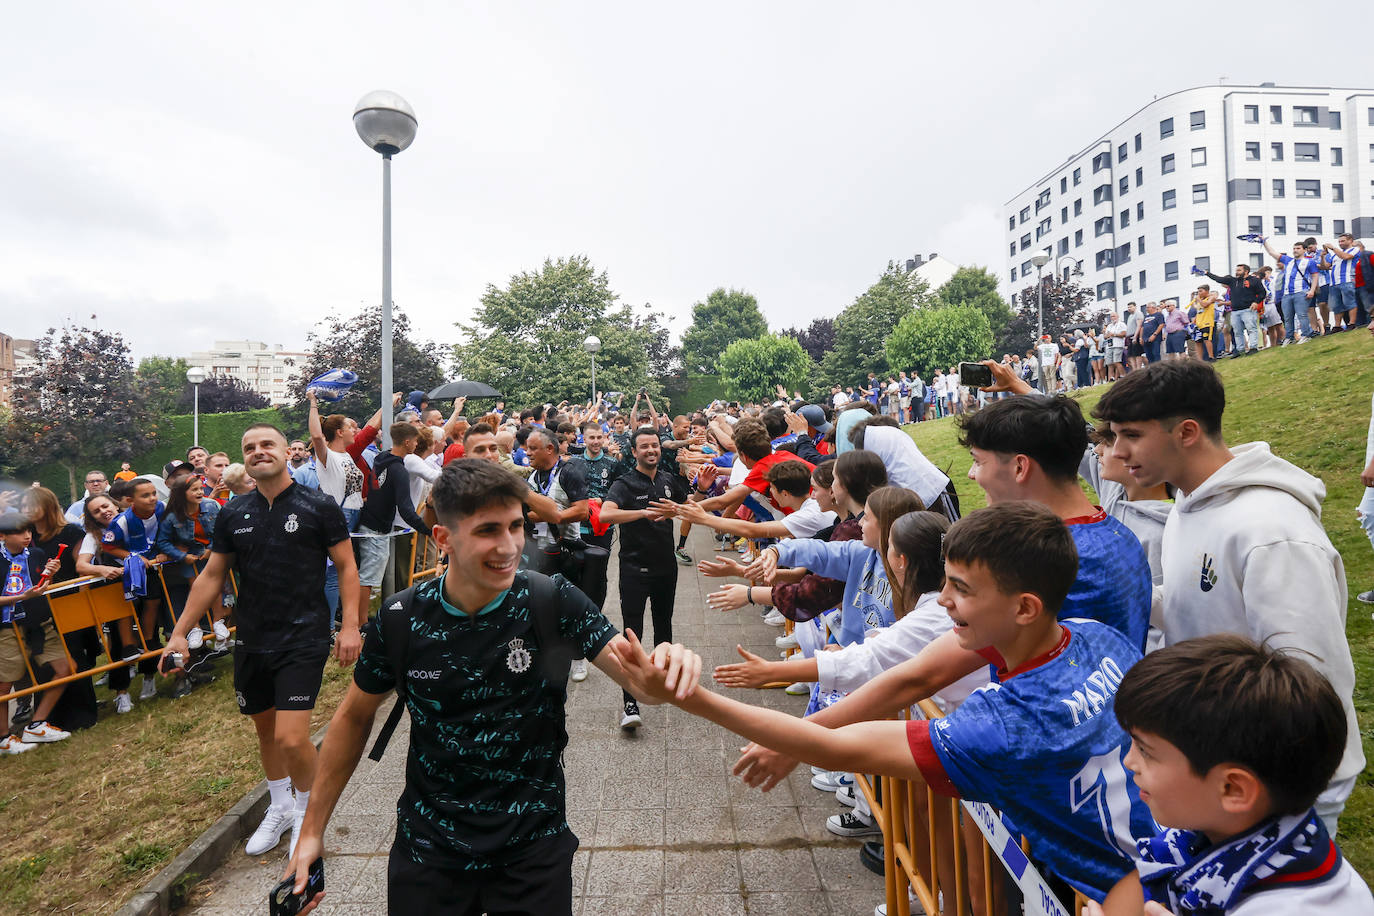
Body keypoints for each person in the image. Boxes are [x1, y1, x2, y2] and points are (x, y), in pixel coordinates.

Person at [621, 502, 1157, 904]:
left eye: (962, 590)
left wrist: (693, 699)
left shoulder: (1003, 726)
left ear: (1024, 607)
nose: (943, 602)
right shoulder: (1093, 634)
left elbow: (836, 747)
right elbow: (908, 679)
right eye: (945, 583)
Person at [283, 459, 700, 916]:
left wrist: (667, 669)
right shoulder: (402, 619)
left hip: (532, 851)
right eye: (487, 531)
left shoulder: (552, 599)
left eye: (516, 526)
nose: (509, 546)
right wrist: (311, 832)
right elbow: (353, 718)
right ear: (443, 539)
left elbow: (639, 680)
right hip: (429, 849)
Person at [1093, 359, 1365, 832]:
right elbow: (1194, 604)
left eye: (1131, 435)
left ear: (1188, 432)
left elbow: (1310, 678)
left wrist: (1289, 798)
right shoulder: (1188, 504)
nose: (1117, 451)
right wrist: (1125, 592)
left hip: (1279, 788)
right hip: (1216, 772)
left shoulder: (1272, 530)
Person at [161, 422, 362, 859]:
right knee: (266, 731)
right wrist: (179, 632)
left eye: (266, 444)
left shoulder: (318, 505)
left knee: (292, 738)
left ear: (286, 452)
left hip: (303, 634)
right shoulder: (233, 511)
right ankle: (281, 807)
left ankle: (310, 818)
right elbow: (213, 574)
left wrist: (350, 625)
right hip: (251, 638)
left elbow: (347, 567)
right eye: (249, 447)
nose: (258, 451)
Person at [1098, 636, 1374, 914]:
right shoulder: (1216, 828)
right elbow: (1142, 881)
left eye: (1146, 751)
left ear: (1233, 789)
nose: (1129, 761)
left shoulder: (1294, 908)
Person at [598, 427, 690, 729]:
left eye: (655, 446)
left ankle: (664, 684)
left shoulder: (666, 479)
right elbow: (605, 516)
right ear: (634, 452)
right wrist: (641, 513)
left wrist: (700, 489)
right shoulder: (624, 484)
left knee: (664, 629)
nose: (651, 451)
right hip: (634, 571)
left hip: (666, 569)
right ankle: (630, 702)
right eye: (645, 447)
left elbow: (689, 506)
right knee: (632, 635)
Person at [0, 510, 72, 752]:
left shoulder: (36, 553)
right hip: (7, 627)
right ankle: (3, 739)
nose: (27, 536)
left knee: (66, 668)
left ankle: (36, 725)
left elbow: (41, 585)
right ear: (2, 536)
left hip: (39, 623)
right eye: (20, 532)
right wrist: (21, 597)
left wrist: (50, 574)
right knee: (4, 685)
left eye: (29, 530)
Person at [356, 423, 430, 625]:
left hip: (371, 523)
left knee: (369, 577)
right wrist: (427, 529)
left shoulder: (381, 458)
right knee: (368, 579)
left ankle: (362, 621)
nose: (416, 444)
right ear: (407, 442)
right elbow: (406, 509)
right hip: (376, 529)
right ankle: (361, 624)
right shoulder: (399, 470)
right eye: (415, 440)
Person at [155, 474, 229, 663]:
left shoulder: (211, 505)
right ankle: (195, 627)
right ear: (181, 493)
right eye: (194, 489)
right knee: (195, 589)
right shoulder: (172, 516)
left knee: (217, 587)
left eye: (200, 488)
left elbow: (222, 529)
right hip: (191, 557)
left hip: (211, 554)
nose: (199, 492)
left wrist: (212, 548)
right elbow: (163, 541)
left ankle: (218, 622)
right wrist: (181, 556)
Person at [1263, 236, 1318, 344]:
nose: (1295, 250)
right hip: (1287, 293)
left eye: (1298, 248)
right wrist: (1264, 242)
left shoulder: (1309, 262)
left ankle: (1306, 335)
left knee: (1302, 314)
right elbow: (1272, 253)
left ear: (1304, 250)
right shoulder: (1288, 260)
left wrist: (1312, 290)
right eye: (1294, 248)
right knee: (1287, 317)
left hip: (1301, 291)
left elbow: (1315, 276)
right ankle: (1289, 337)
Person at [1203, 263, 1265, 356]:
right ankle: (1240, 350)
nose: (1237, 272)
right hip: (1235, 311)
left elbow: (1262, 293)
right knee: (1237, 331)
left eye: (1239, 270)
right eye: (1236, 270)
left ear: (1246, 271)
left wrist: (1256, 302)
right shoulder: (1232, 281)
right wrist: (1207, 273)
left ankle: (1253, 347)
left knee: (1251, 329)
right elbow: (1218, 279)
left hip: (1248, 309)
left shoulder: (1254, 280)